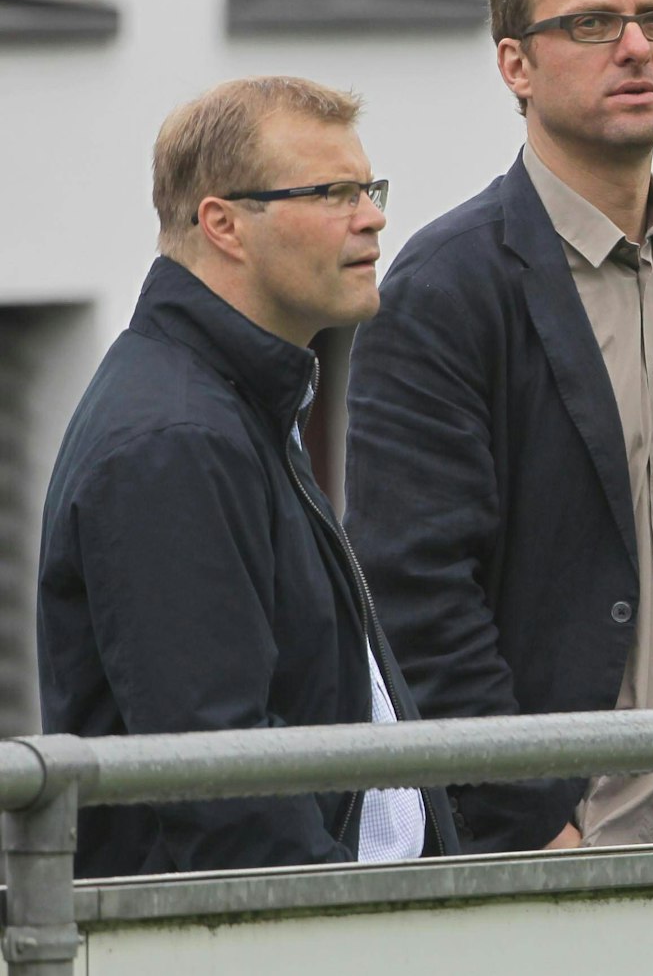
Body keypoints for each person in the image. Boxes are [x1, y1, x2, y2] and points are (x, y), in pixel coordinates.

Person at [343, 0, 653, 855]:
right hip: (553, 848)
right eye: (592, 24)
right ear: (516, 65)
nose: (635, 47)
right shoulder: (445, 286)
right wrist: (533, 825)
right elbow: (418, 592)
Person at [37, 76, 456, 876]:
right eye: (332, 193)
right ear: (223, 224)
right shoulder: (174, 440)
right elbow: (222, 781)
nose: (372, 217)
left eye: (368, 189)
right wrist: (348, 918)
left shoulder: (240, 401)